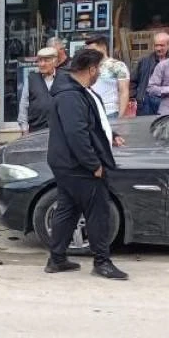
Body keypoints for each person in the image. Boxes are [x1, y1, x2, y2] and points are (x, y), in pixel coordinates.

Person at [45, 49, 127, 280]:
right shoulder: (71, 95)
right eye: (98, 69)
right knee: (98, 211)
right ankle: (102, 262)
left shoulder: (78, 91)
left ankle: (57, 259)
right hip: (78, 166)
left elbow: (92, 123)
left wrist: (111, 134)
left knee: (68, 209)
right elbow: (76, 133)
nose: (99, 73)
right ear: (90, 69)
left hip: (68, 164)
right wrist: (93, 164)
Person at [18, 47, 62, 135]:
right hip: (36, 130)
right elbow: (24, 104)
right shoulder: (31, 79)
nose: (41, 64)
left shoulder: (64, 78)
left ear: (55, 62)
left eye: (46, 61)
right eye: (39, 61)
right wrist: (24, 129)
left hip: (60, 130)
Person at [84, 36, 131, 118]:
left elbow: (124, 91)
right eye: (88, 51)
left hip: (110, 111)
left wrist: (121, 116)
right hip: (91, 112)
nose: (90, 53)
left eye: (92, 50)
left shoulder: (118, 66)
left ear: (103, 47)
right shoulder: (87, 67)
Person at [130, 32, 169, 116]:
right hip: (145, 103)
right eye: (156, 45)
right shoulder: (144, 60)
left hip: (167, 103)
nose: (158, 48)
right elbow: (132, 81)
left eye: (162, 45)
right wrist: (135, 98)